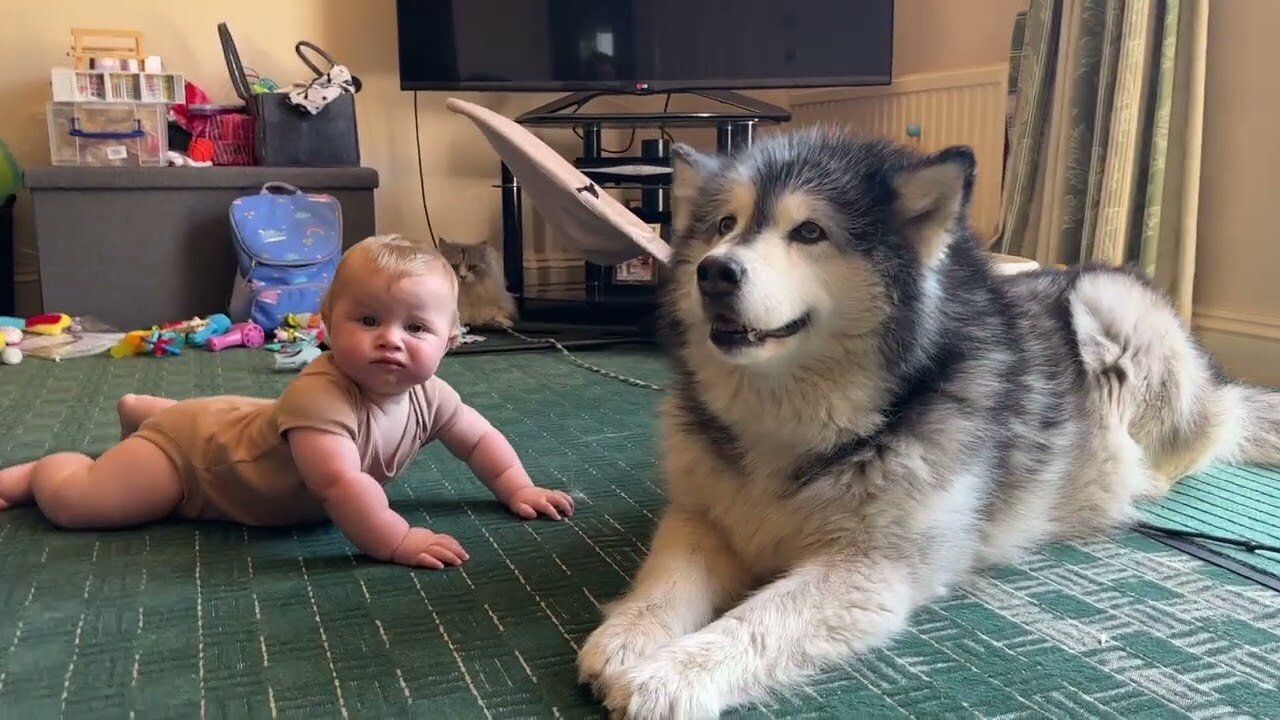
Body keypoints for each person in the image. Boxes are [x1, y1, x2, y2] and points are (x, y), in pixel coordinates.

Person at [0, 234, 574, 569]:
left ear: (450, 341)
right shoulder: (321, 396)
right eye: (368, 320)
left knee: (251, 421)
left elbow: (478, 439)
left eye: (416, 329)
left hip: (240, 427)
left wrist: (517, 486)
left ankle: (150, 410)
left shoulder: (432, 395)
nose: (390, 339)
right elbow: (340, 486)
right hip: (196, 466)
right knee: (84, 505)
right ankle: (44, 472)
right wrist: (394, 538)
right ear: (327, 325)